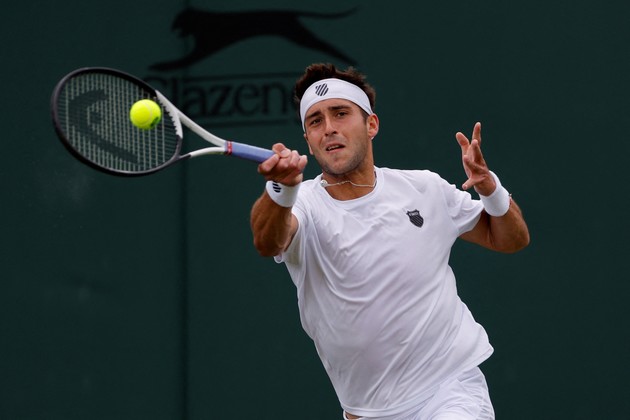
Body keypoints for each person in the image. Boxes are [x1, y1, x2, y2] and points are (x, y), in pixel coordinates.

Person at [250, 63, 529, 420]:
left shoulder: (424, 188)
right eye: (316, 121)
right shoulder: (301, 203)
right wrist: (280, 190)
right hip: (366, 411)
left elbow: (511, 239)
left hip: (449, 389)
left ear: (371, 125)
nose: (329, 127)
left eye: (340, 113)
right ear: (308, 140)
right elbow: (268, 242)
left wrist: (490, 188)